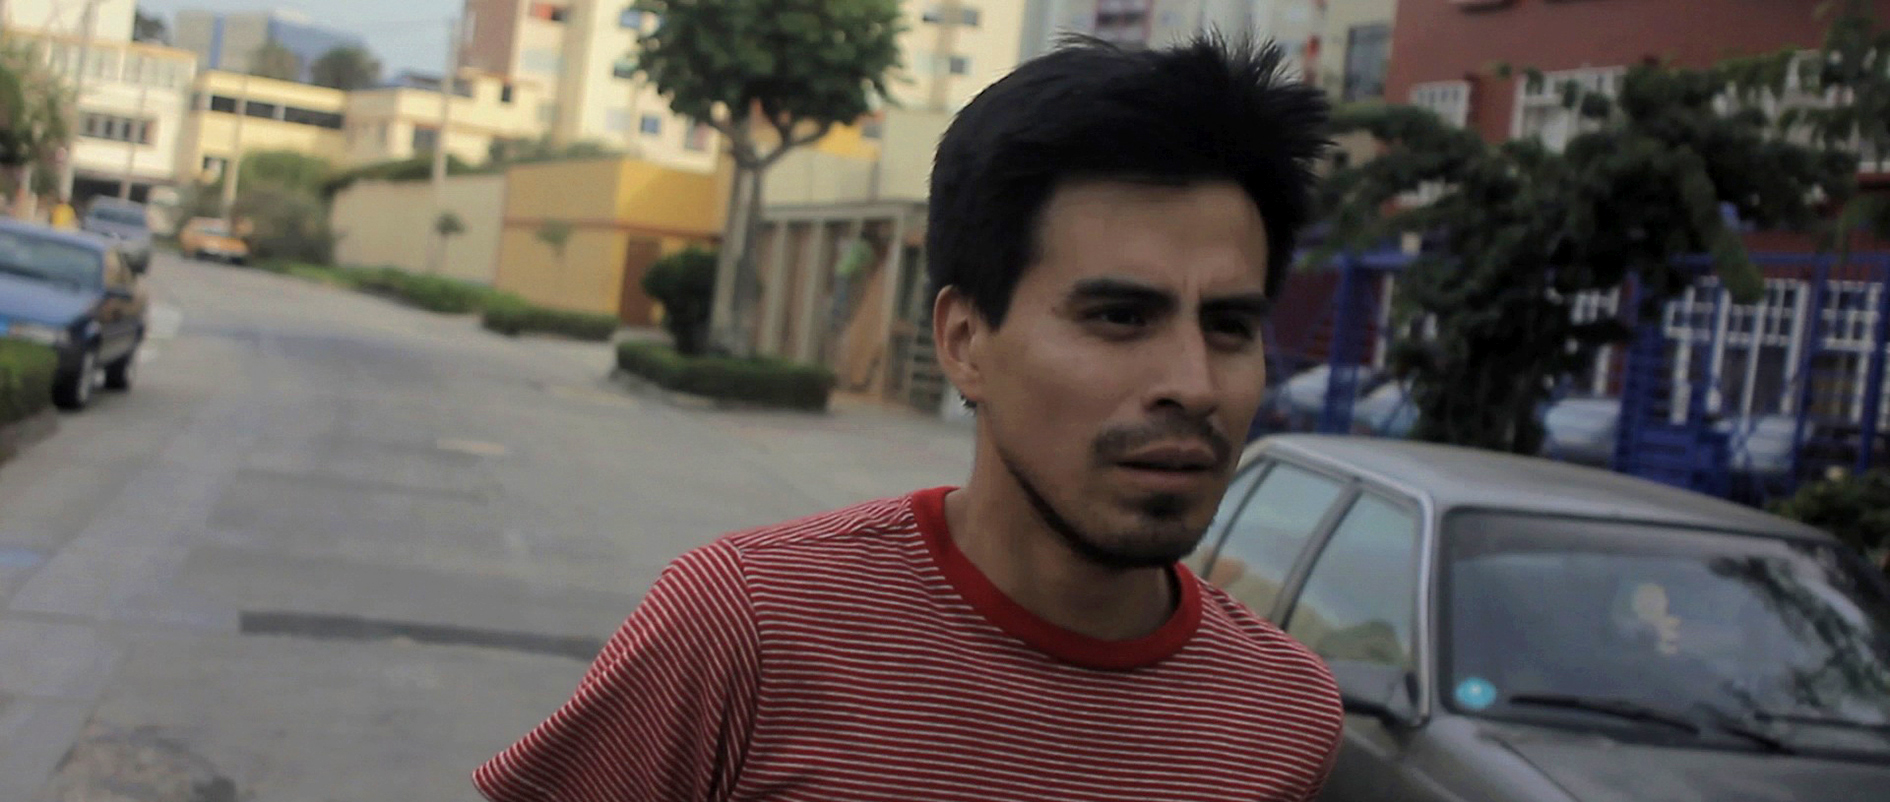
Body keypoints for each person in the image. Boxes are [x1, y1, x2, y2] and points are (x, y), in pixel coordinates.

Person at [474, 34, 1343, 802]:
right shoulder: (751, 627)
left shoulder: (1282, 717)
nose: (1193, 383)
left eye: (1230, 327)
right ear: (965, 341)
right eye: (1120, 316)